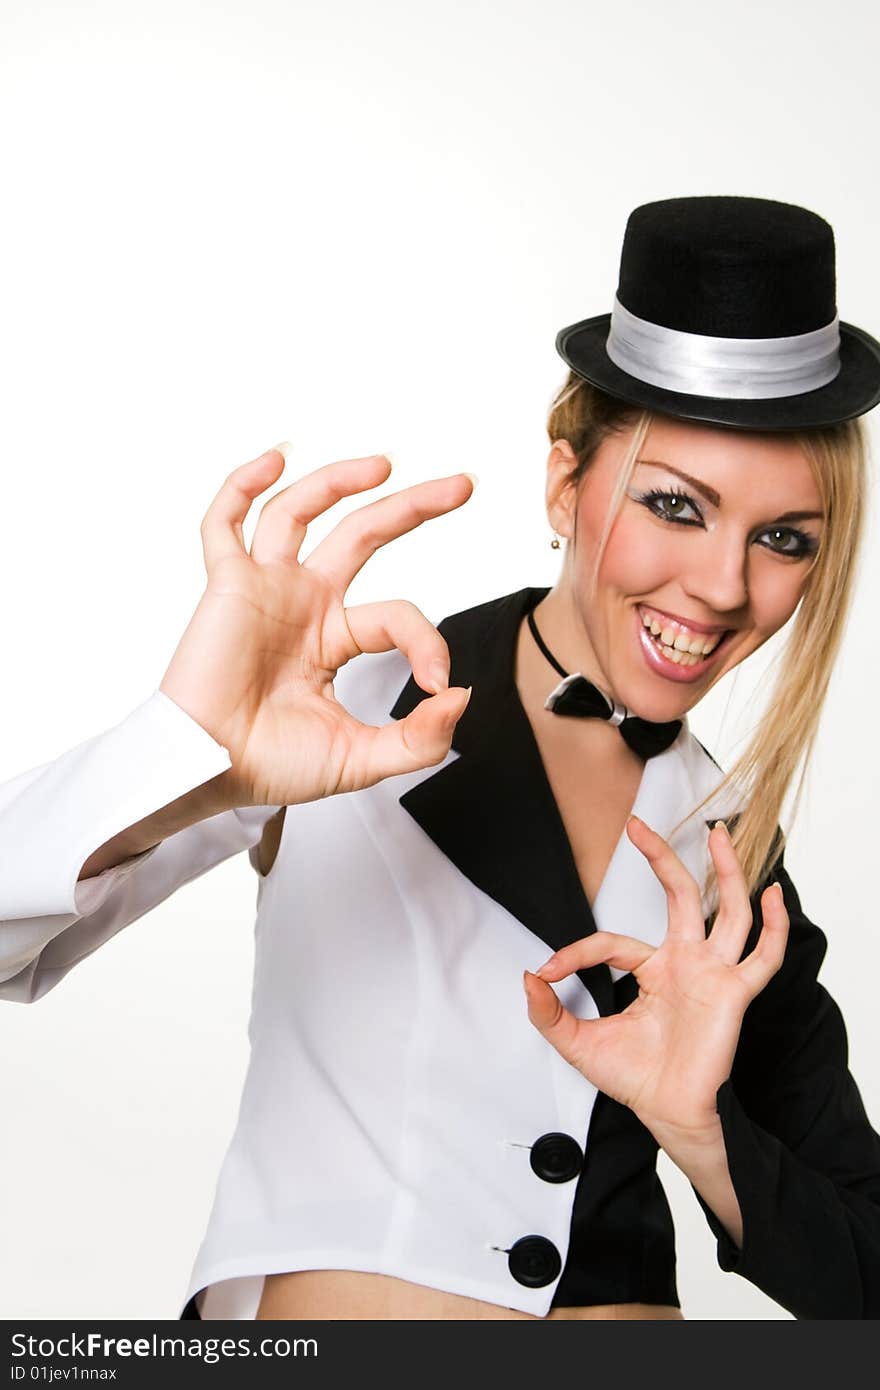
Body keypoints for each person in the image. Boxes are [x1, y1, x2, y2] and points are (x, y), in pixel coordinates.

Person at [3, 195, 880, 1321]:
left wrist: (700, 1136)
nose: (719, 586)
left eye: (783, 538)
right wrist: (187, 749)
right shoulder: (339, 704)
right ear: (565, 484)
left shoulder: (734, 853)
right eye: (675, 505)